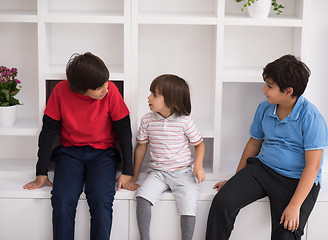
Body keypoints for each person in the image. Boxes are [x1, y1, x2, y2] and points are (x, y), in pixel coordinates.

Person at [206, 55, 328, 240]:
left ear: (288, 91)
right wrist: (236, 180)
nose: (264, 90)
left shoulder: (312, 118)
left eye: (269, 86)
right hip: (263, 169)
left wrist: (295, 205)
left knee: (286, 233)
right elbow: (254, 143)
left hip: (296, 179)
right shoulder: (265, 108)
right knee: (223, 200)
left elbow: (312, 167)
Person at [23, 52, 136, 240]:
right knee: (62, 198)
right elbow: (48, 131)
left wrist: (128, 171)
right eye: (99, 87)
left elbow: (124, 130)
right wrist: (41, 172)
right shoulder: (60, 91)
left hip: (103, 154)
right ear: (81, 89)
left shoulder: (111, 91)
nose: (106, 89)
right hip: (69, 153)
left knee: (101, 199)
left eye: (106, 82)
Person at [131, 74, 206, 240]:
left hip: (183, 173)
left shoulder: (185, 121)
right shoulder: (147, 120)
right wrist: (134, 175)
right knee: (142, 197)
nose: (149, 97)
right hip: (158, 173)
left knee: (188, 204)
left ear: (172, 101)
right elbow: (141, 147)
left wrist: (198, 166)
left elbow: (199, 144)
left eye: (155, 94)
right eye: (150, 93)